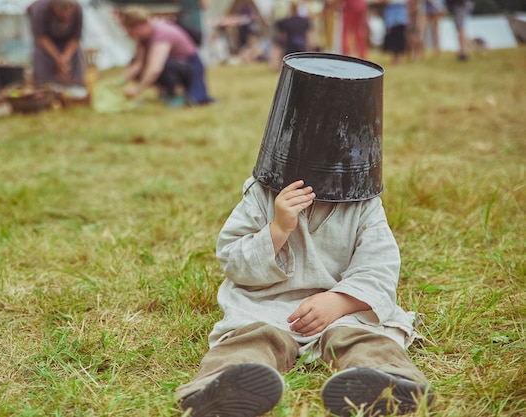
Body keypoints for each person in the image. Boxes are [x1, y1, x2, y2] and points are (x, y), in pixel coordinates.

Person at [175, 53, 434, 417]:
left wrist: (340, 302)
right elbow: (233, 261)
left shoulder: (363, 204)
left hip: (343, 313)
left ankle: (386, 382)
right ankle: (224, 386)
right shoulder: (262, 195)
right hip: (267, 306)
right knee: (251, 338)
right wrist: (277, 229)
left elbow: (380, 267)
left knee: (365, 339)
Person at [118, 6, 213, 108]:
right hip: (177, 65)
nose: (130, 35)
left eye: (131, 32)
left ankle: (179, 93)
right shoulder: (144, 37)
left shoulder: (162, 34)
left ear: (140, 26)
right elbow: (137, 64)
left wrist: (137, 89)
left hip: (191, 66)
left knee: (164, 66)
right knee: (140, 64)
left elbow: (155, 68)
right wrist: (118, 82)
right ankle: (167, 92)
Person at [27, 0, 85, 86]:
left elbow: (75, 38)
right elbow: (40, 37)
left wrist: (65, 58)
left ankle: (75, 89)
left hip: (67, 45)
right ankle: (45, 89)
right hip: (46, 46)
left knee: (76, 57)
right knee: (41, 57)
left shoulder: (78, 9)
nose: (66, 14)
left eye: (70, 9)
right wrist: (58, 58)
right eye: (62, 9)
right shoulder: (40, 9)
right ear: (54, 5)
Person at [381, 0, 409, 64]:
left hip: (399, 15)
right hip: (391, 16)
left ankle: (398, 58)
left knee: (399, 37)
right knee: (393, 37)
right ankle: (394, 58)